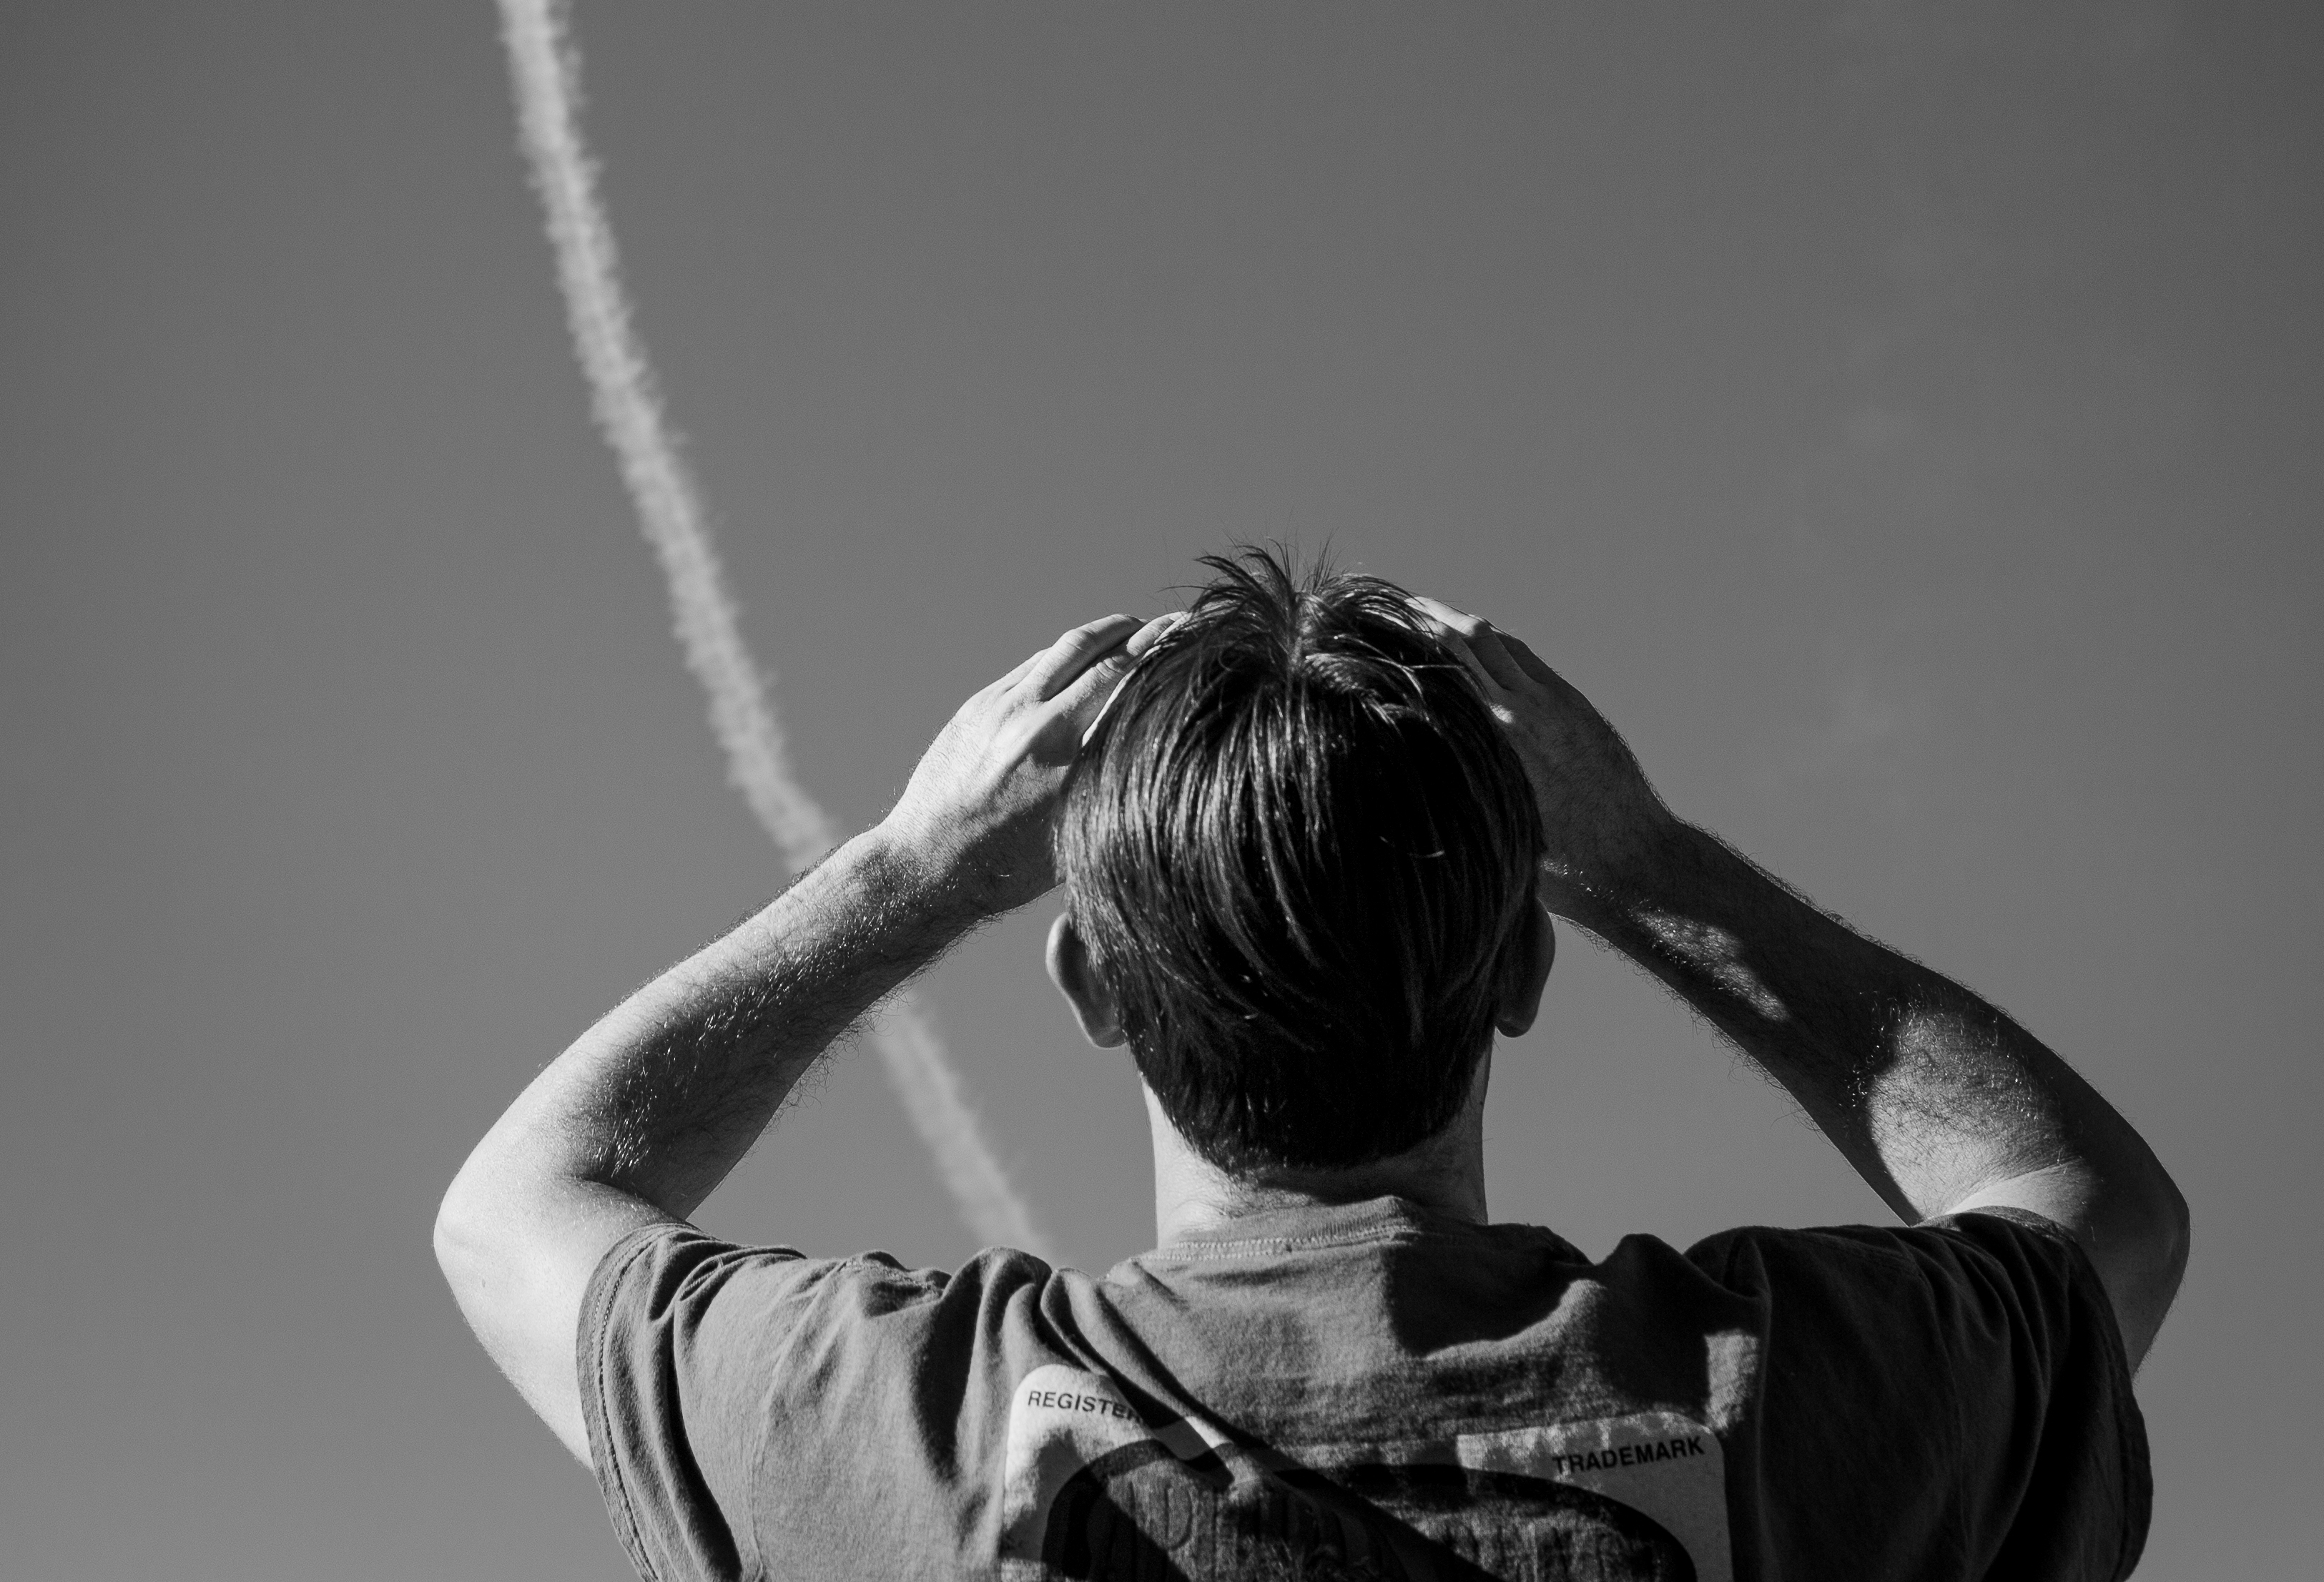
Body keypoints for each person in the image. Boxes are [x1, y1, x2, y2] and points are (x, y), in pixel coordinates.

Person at [435, 549, 2187, 1580]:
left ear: (1089, 989)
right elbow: (2092, 1208)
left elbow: (520, 1205)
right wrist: (1649, 864)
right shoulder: (1788, 1400)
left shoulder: (904, 1430)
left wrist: (912, 869)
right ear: (1520, 972)